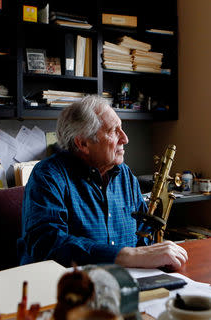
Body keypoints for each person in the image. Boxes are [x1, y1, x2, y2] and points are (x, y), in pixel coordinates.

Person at [18, 94, 188, 270]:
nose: (125, 139)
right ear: (83, 143)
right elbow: (47, 243)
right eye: (114, 131)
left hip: (125, 281)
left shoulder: (124, 175)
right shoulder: (49, 176)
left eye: (121, 128)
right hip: (68, 287)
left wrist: (157, 252)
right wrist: (126, 256)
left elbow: (143, 233)